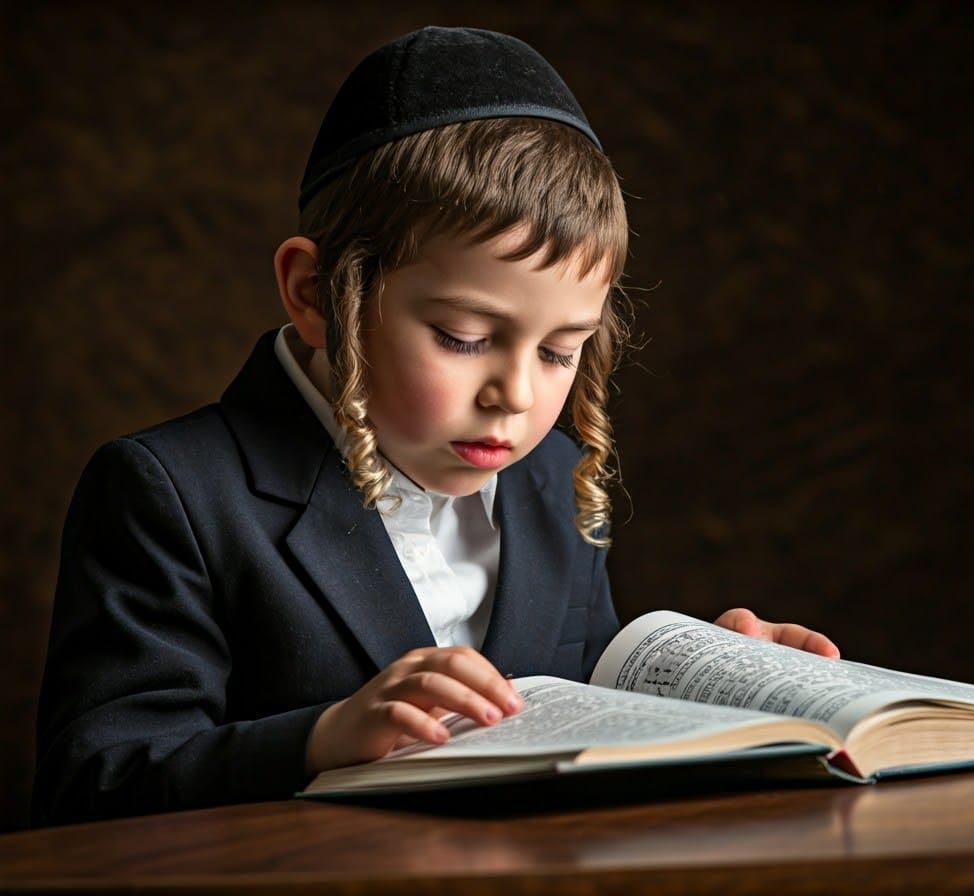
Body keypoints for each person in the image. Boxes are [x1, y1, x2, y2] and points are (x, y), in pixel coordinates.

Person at [33, 25, 838, 826]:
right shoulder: (171, 492)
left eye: (562, 351)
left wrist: (702, 680)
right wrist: (318, 739)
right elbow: (92, 781)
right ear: (314, 292)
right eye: (464, 338)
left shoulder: (552, 477)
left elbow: (566, 712)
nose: (513, 395)